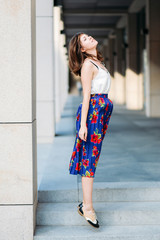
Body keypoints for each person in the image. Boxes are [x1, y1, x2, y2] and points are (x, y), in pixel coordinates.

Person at [68, 32, 113, 228]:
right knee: (89, 159)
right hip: (93, 112)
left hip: (101, 112)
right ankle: (87, 207)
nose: (89, 38)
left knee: (92, 157)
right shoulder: (88, 65)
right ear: (82, 49)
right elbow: (86, 96)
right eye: (84, 40)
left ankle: (86, 204)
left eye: (87, 36)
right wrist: (84, 125)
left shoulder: (98, 63)